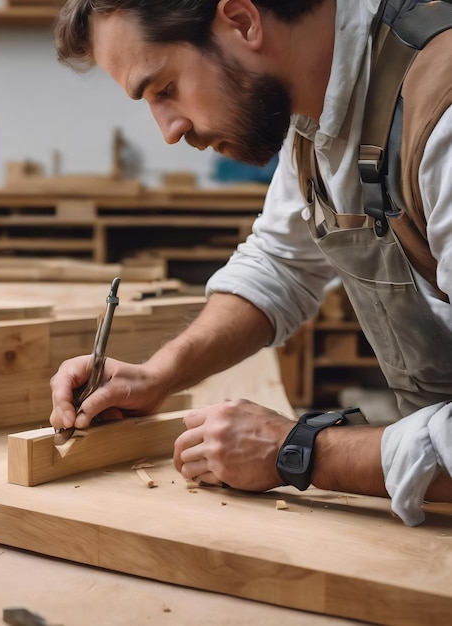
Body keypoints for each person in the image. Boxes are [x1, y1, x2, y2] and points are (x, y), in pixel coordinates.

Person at [49, 0, 452, 526]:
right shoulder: (316, 109)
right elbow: (278, 266)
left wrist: (301, 450)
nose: (168, 130)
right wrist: (157, 375)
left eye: (165, 89)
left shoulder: (440, 118)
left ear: (242, 20)